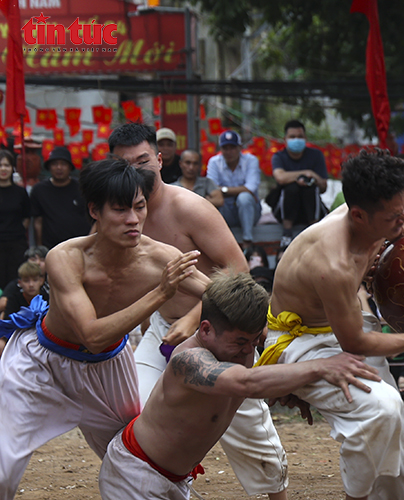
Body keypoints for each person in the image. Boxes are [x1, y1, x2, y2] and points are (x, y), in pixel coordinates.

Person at [263, 149, 404, 500]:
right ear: (357, 214)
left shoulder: (380, 217)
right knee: (380, 412)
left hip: (343, 325)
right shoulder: (333, 263)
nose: (403, 221)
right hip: (300, 342)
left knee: (400, 434)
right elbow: (355, 343)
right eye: (393, 216)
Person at [0, 158, 208, 498]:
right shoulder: (65, 257)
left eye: (139, 207)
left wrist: (252, 314)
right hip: (42, 363)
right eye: (120, 210)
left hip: (110, 367)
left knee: (144, 460)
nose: (133, 219)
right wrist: (161, 293)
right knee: (2, 468)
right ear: (94, 210)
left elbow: (217, 297)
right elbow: (93, 336)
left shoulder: (161, 257)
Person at [108, 123, 292, 500]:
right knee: (135, 411)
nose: (135, 171)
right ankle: (169, 487)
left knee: (252, 435)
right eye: (125, 165)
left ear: (160, 160)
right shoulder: (119, 216)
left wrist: (194, 319)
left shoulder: (189, 207)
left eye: (143, 161)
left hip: (218, 331)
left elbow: (238, 268)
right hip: (162, 330)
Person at [98, 272, 382, 500]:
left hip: (175, 478)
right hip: (136, 472)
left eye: (254, 340)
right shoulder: (189, 360)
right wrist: (322, 365)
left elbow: (254, 380)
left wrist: (292, 392)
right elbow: (245, 382)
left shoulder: (240, 350)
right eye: (240, 341)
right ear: (206, 329)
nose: (248, 350)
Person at [270, 120, 329, 248]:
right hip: (286, 209)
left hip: (310, 208)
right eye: (292, 137)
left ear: (305, 138)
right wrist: (305, 173)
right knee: (291, 188)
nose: (296, 140)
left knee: (310, 189)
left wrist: (312, 179)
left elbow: (323, 187)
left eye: (300, 136)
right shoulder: (279, 157)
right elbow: (280, 178)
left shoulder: (316, 155)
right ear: (285, 139)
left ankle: (315, 233)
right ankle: (286, 234)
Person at [207, 130, 262, 249]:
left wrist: (223, 190)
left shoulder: (251, 160)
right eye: (225, 148)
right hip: (226, 210)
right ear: (220, 149)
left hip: (251, 212)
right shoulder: (214, 162)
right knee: (216, 202)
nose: (229, 152)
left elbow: (250, 188)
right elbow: (211, 190)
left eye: (232, 147)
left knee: (244, 198)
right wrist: (241, 189)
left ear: (240, 148)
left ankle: (247, 241)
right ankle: (221, 243)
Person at [30, 146, 91, 249]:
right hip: (51, 247)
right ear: (49, 167)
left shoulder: (82, 188)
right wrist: (40, 248)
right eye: (55, 164)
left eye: (63, 164)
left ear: (70, 167)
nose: (59, 168)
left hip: (79, 246)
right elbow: (38, 221)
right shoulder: (39, 190)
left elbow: (94, 216)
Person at [0, 149, 30, 289]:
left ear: (12, 168)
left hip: (16, 243)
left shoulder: (20, 192)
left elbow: (26, 217)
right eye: (0, 165)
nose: (3, 169)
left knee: (16, 279)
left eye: (7, 165)